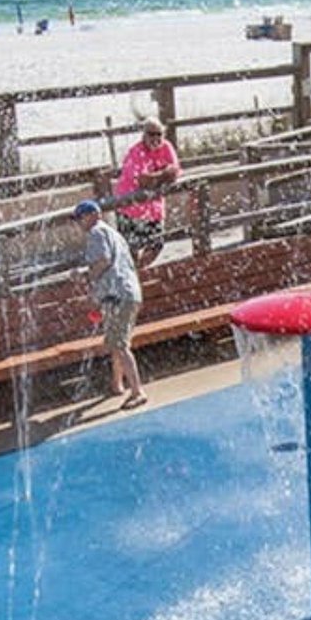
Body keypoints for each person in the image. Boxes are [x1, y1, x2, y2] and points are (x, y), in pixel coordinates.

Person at [73, 199, 146, 409]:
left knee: (120, 344)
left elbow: (103, 261)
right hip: (129, 293)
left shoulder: (96, 232)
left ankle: (137, 391)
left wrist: (84, 276)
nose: (78, 223)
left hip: (118, 296)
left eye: (80, 218)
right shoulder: (114, 234)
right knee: (117, 341)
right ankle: (117, 384)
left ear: (92, 215)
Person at [113, 119, 182, 268]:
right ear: (143, 135)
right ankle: (133, 275)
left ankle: (138, 272)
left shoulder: (166, 147)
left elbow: (175, 172)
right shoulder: (136, 152)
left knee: (157, 244)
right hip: (129, 208)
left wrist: (156, 177)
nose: (156, 138)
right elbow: (144, 181)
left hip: (153, 209)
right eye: (151, 134)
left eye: (159, 134)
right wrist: (164, 174)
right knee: (131, 249)